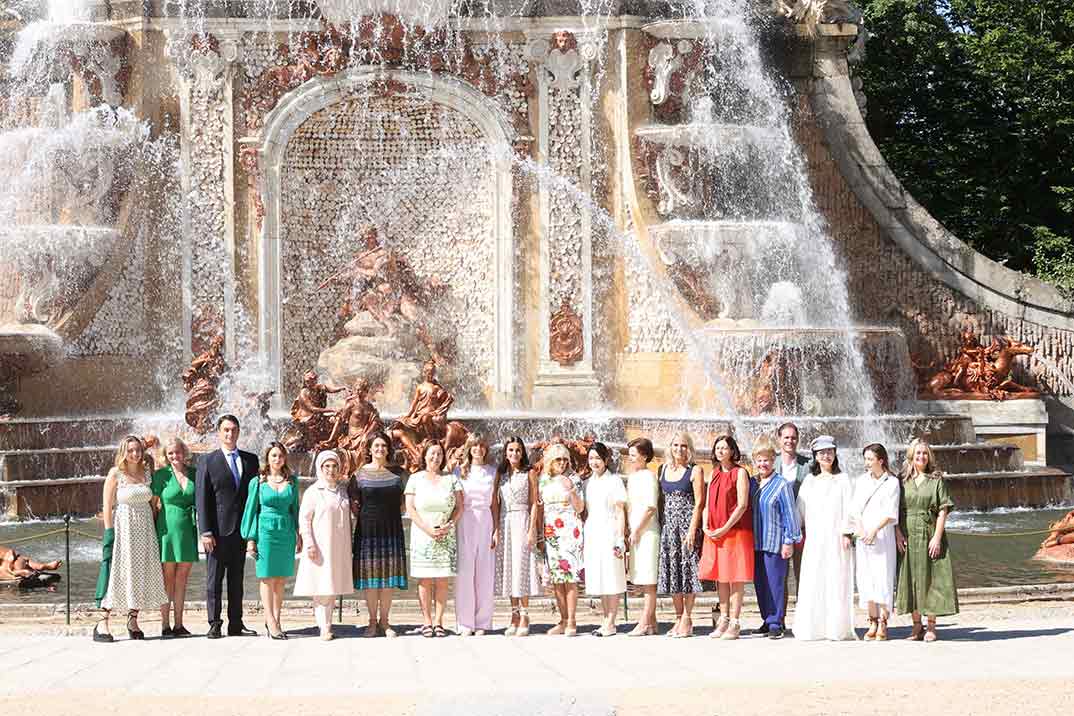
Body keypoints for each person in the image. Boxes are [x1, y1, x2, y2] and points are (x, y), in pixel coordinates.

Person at [94, 436, 168, 642]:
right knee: (118, 570)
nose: (135, 454)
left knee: (140, 571)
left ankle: (133, 619)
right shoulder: (115, 474)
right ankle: (102, 622)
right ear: (123, 452)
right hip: (123, 528)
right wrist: (110, 533)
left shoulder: (147, 473)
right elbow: (107, 507)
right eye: (130, 450)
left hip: (144, 529)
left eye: (138, 450)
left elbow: (153, 503)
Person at [195, 414, 259, 639]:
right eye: (225, 430)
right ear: (219, 433)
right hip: (217, 533)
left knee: (236, 580)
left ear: (239, 432)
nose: (230, 434)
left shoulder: (251, 460)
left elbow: (254, 498)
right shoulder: (207, 461)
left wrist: (253, 531)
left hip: (241, 531)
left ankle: (236, 623)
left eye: (233, 430)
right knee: (214, 581)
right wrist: (205, 531)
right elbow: (201, 498)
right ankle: (214, 623)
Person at [793, 435, 856, 641]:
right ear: (815, 456)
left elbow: (850, 508)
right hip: (815, 540)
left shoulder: (843, 480)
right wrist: (792, 533)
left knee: (836, 580)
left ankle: (835, 628)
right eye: (821, 453)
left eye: (829, 452)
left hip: (836, 539)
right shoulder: (810, 481)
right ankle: (813, 628)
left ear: (835, 454)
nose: (826, 456)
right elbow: (798, 511)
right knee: (814, 579)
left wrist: (847, 532)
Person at [896, 439, 958, 642]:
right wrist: (898, 533)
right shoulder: (902, 480)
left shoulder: (936, 480)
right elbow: (894, 510)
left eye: (925, 453)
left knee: (932, 578)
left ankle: (931, 626)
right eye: (918, 453)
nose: (921, 457)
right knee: (910, 578)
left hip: (929, 532)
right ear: (911, 456)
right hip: (907, 534)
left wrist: (937, 538)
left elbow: (943, 511)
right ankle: (916, 626)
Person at [240, 441, 301, 640]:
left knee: (281, 578)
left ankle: (277, 618)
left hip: (286, 532)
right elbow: (250, 511)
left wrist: (299, 533)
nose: (277, 459)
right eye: (273, 455)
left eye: (280, 455)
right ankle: (270, 620)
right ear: (267, 458)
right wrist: (250, 539)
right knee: (267, 577)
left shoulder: (292, 481)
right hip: (265, 532)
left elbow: (296, 510)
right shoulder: (258, 482)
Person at [352, 431, 408, 637]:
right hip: (368, 532)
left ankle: (385, 622)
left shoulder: (399, 474)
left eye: (383, 446)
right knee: (370, 579)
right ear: (369, 449)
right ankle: (372, 622)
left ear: (388, 449)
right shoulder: (359, 474)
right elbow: (354, 504)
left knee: (388, 578)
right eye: (376, 446)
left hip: (391, 529)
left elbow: (405, 503)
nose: (380, 449)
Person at [294, 450, 354, 640]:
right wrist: (309, 543)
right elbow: (304, 519)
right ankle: (324, 626)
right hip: (320, 545)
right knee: (321, 586)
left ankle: (326, 623)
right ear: (320, 468)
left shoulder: (342, 491)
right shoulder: (313, 492)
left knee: (332, 584)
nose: (331, 470)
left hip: (338, 545)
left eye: (334, 466)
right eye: (327, 466)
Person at [405, 440, 463, 638]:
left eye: (439, 454)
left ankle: (439, 621)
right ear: (425, 455)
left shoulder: (451, 479)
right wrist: (427, 529)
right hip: (423, 534)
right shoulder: (415, 478)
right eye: (432, 453)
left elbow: (459, 506)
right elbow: (410, 508)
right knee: (425, 579)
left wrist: (451, 524)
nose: (435, 457)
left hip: (446, 534)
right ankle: (427, 621)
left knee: (442, 579)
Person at [700, 434, 753, 640]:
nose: (720, 451)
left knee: (736, 577)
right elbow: (706, 504)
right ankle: (723, 619)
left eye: (724, 448)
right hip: (714, 532)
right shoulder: (713, 473)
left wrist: (725, 527)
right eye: (718, 448)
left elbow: (742, 505)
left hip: (735, 531)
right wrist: (705, 525)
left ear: (732, 451)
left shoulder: (740, 473)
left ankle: (736, 622)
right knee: (721, 578)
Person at [749, 435, 800, 640]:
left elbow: (790, 514)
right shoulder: (753, 483)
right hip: (756, 542)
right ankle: (766, 618)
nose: (763, 463)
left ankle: (776, 622)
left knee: (775, 583)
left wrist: (789, 541)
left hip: (775, 542)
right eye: (759, 460)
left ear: (773, 460)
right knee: (760, 583)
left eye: (767, 459)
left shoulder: (782, 484)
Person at [849, 443, 900, 641]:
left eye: (870, 459)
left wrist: (874, 530)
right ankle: (871, 620)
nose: (867, 463)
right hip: (864, 537)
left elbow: (890, 512)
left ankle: (883, 622)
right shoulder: (861, 481)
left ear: (881, 460)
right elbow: (854, 509)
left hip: (882, 536)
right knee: (866, 578)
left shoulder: (892, 482)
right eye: (866, 459)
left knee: (883, 577)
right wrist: (861, 529)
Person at [657, 431, 705, 637]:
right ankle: (678, 618)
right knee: (673, 572)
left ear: (689, 449)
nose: (679, 449)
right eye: (676, 445)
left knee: (688, 572)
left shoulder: (695, 470)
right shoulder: (663, 469)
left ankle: (687, 618)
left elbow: (699, 503)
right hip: (669, 529)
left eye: (684, 446)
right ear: (670, 447)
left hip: (687, 528)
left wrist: (693, 528)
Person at [151, 436, 198, 638]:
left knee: (182, 580)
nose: (174, 456)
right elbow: (153, 505)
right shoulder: (161, 476)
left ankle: (179, 624)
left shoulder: (195, 474)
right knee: (167, 579)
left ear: (183, 453)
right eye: (170, 453)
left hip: (187, 528)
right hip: (167, 529)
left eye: (177, 452)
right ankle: (165, 625)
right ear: (166, 455)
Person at [494, 436, 542, 637]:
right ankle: (513, 615)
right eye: (511, 450)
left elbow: (534, 502)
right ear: (506, 452)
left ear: (523, 453)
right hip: (505, 522)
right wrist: (495, 529)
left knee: (522, 567)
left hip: (522, 520)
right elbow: (494, 504)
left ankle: (524, 615)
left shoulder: (529, 472)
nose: (514, 454)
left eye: (518, 450)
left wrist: (532, 529)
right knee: (509, 569)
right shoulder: (501, 473)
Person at [538, 442, 584, 636]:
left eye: (565, 459)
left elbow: (580, 508)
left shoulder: (574, 479)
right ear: (550, 460)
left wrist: (571, 489)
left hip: (570, 528)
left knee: (570, 576)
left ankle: (572, 621)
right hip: (551, 531)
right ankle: (563, 619)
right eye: (558, 459)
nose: (562, 463)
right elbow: (540, 507)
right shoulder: (544, 480)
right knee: (557, 577)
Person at [454, 434, 498, 636]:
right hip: (465, 519)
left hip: (486, 519)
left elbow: (495, 503)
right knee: (465, 572)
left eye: (481, 446)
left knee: (484, 572)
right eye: (474, 446)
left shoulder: (492, 472)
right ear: (469, 448)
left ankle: (482, 622)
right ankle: (465, 622)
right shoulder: (459, 472)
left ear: (485, 449)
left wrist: (496, 529)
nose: (478, 449)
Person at [583, 442, 628, 637]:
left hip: (610, 530)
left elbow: (620, 511)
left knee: (612, 575)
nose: (594, 462)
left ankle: (611, 621)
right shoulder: (588, 482)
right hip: (593, 530)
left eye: (598, 459)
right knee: (600, 575)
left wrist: (620, 538)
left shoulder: (614, 481)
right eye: (591, 458)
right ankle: (605, 619)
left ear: (606, 460)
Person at [625, 437, 659, 637]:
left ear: (644, 456)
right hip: (636, 532)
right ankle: (652, 623)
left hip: (647, 533)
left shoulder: (648, 477)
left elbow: (651, 508)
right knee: (643, 579)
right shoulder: (633, 477)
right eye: (629, 455)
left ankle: (644, 622)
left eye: (634, 455)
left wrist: (637, 530)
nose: (630, 459)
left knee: (649, 580)